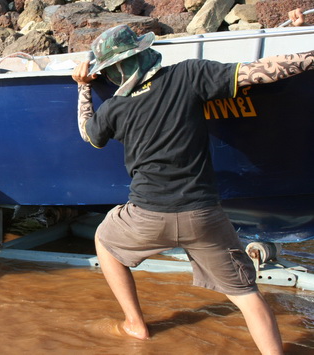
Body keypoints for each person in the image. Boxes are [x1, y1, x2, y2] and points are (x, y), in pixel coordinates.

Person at [72, 24, 313, 354]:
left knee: (104, 240)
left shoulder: (115, 107)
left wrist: (83, 88)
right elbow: (259, 72)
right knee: (247, 296)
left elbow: (89, 134)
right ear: (144, 53)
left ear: (113, 70)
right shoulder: (188, 75)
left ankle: (135, 324)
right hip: (203, 218)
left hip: (146, 217)